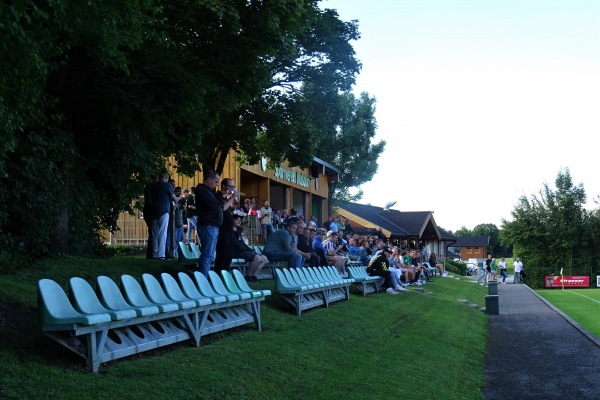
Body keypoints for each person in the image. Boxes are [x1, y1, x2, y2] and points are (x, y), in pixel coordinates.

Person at [195, 170, 224, 277]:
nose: (217, 185)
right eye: (216, 182)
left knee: (210, 255)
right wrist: (221, 195)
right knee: (207, 255)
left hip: (213, 226)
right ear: (209, 180)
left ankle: (203, 278)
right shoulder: (201, 190)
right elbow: (212, 204)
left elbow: (216, 204)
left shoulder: (210, 192)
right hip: (207, 225)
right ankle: (203, 280)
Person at [149, 171, 181, 259]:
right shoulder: (167, 185)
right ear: (167, 178)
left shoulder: (153, 186)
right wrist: (180, 197)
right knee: (163, 233)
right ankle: (161, 254)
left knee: (154, 234)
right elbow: (175, 199)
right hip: (164, 210)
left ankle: (154, 254)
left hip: (154, 211)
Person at [232, 214, 268, 282]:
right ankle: (248, 276)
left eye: (240, 220)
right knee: (257, 258)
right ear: (232, 220)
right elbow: (237, 246)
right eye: (237, 219)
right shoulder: (230, 232)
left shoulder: (238, 231)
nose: (239, 221)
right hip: (235, 253)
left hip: (242, 251)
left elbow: (242, 244)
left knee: (264, 258)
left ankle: (254, 276)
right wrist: (249, 250)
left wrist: (251, 250)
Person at [214, 178, 239, 273]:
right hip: (223, 230)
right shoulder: (218, 196)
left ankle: (225, 273)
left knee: (229, 254)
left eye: (233, 186)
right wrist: (232, 197)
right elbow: (223, 208)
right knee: (222, 254)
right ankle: (219, 274)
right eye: (230, 186)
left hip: (229, 230)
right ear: (224, 186)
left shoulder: (224, 198)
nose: (232, 188)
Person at [143, 175, 158, 259]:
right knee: (153, 233)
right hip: (151, 212)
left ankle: (151, 253)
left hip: (149, 211)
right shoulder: (152, 187)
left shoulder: (149, 187)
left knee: (152, 233)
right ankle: (151, 253)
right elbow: (149, 201)